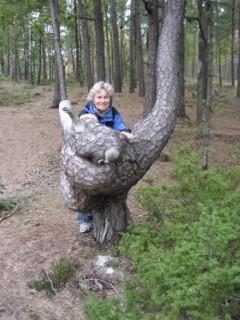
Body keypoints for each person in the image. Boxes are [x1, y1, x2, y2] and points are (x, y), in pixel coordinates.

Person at [77, 81, 134, 233]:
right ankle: (83, 219)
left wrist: (124, 132)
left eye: (106, 97)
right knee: (86, 187)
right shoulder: (85, 112)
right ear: (93, 99)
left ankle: (106, 214)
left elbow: (120, 126)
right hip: (88, 156)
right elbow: (76, 129)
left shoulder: (113, 113)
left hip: (107, 156)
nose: (102, 100)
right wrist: (85, 120)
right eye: (99, 97)